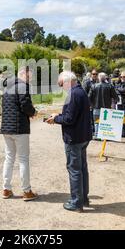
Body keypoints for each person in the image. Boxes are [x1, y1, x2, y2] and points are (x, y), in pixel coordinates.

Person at [46, 71, 92, 212]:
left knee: (74, 169)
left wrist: (55, 119)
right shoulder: (81, 91)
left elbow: (69, 119)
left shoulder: (73, 94)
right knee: (82, 168)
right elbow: (73, 115)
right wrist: (58, 115)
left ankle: (76, 202)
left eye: (61, 84)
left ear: (67, 82)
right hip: (83, 136)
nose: (61, 87)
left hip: (74, 138)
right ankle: (83, 198)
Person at [0, 66, 38, 201]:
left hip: (6, 128)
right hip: (19, 128)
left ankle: (6, 189)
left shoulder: (7, 87)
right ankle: (26, 191)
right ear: (23, 74)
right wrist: (33, 112)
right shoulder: (23, 86)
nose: (30, 79)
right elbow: (25, 104)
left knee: (9, 158)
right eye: (29, 76)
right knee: (23, 159)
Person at [89, 73, 119, 140]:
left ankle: (97, 135)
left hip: (96, 107)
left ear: (99, 78)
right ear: (105, 78)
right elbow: (115, 96)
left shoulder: (94, 86)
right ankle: (105, 136)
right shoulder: (110, 86)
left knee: (96, 122)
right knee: (106, 122)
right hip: (106, 107)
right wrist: (114, 103)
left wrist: (91, 105)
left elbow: (89, 97)